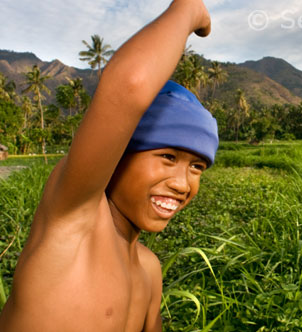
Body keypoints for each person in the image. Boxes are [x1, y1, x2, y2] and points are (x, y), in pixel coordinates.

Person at [0, 0, 215, 331]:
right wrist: (189, 10)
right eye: (168, 157)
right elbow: (129, 86)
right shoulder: (72, 223)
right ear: (117, 153)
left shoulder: (149, 270)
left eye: (197, 166)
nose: (182, 183)